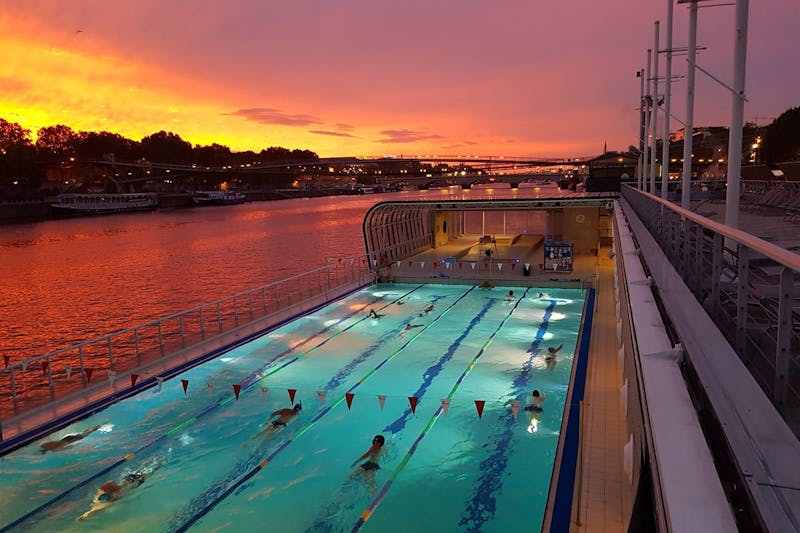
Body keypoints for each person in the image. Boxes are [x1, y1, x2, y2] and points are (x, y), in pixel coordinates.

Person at [77, 456, 165, 521]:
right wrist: (86, 514)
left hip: (135, 482)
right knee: (143, 470)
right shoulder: (114, 492)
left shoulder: (115, 495)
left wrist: (86, 515)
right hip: (127, 479)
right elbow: (98, 507)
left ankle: (158, 464)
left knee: (151, 471)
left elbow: (98, 508)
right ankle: (154, 462)